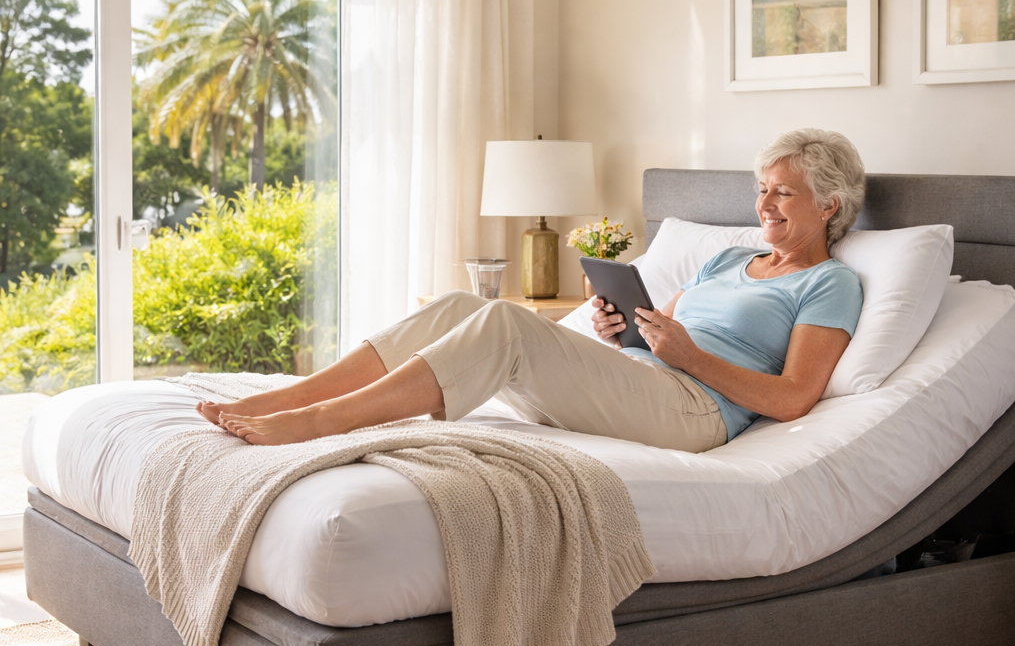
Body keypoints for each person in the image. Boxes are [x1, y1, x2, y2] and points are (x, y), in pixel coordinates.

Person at [199, 128, 864, 451]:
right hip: (639, 379)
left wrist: (686, 356)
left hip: (694, 412)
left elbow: (795, 397)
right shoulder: (726, 262)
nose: (764, 205)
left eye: (783, 192)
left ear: (830, 205)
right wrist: (621, 329)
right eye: (761, 189)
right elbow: (664, 332)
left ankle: (319, 422)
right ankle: (291, 396)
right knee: (465, 306)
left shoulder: (829, 283)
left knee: (507, 325)